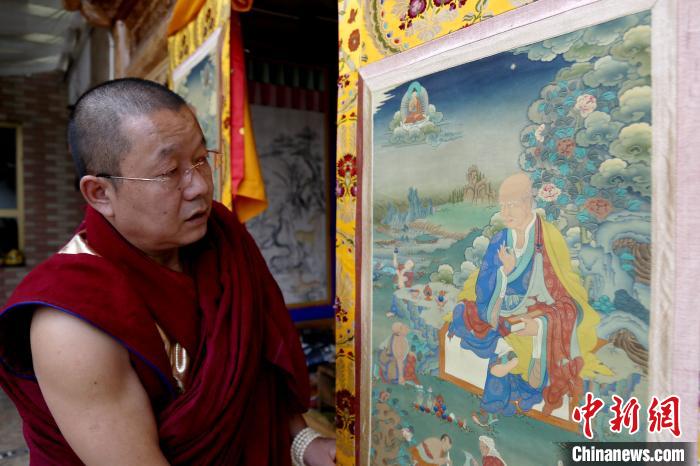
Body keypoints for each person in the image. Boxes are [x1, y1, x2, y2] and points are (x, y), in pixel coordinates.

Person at [0, 78, 335, 465]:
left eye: (201, 159)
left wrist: (304, 442)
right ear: (100, 194)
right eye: (169, 172)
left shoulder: (222, 237)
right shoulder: (69, 320)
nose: (199, 187)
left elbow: (259, 377)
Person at [448, 173, 610, 423]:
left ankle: (499, 387)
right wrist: (505, 272)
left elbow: (564, 294)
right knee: (464, 314)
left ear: (528, 202)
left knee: (525, 334)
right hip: (501, 309)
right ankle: (504, 353)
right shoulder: (501, 239)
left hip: (539, 310)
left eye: (512, 204)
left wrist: (541, 325)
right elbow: (484, 285)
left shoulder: (549, 237)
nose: (506, 212)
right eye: (502, 205)